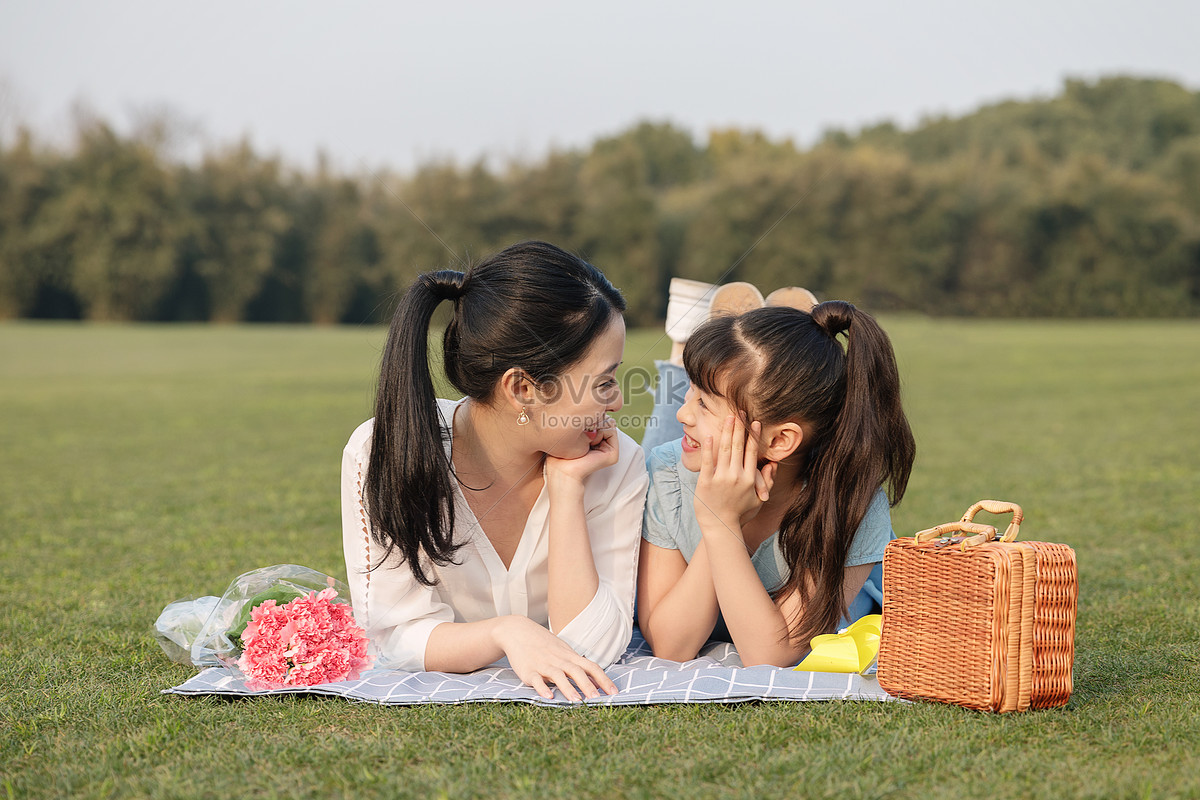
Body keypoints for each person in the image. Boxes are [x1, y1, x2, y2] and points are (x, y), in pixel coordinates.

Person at [341, 241, 648, 701]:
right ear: (523, 387)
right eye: (603, 382)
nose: (618, 402)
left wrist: (566, 490)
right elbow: (392, 636)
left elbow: (595, 646)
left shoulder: (615, 461)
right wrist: (506, 633)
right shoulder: (382, 451)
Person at [636, 290, 915, 667]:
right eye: (691, 391)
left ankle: (790, 346)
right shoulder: (668, 472)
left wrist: (721, 525)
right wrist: (718, 518)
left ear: (781, 440)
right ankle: (715, 343)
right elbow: (670, 647)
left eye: (704, 403)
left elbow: (770, 654)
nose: (684, 413)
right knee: (656, 447)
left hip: (857, 598)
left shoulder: (850, 501)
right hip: (688, 462)